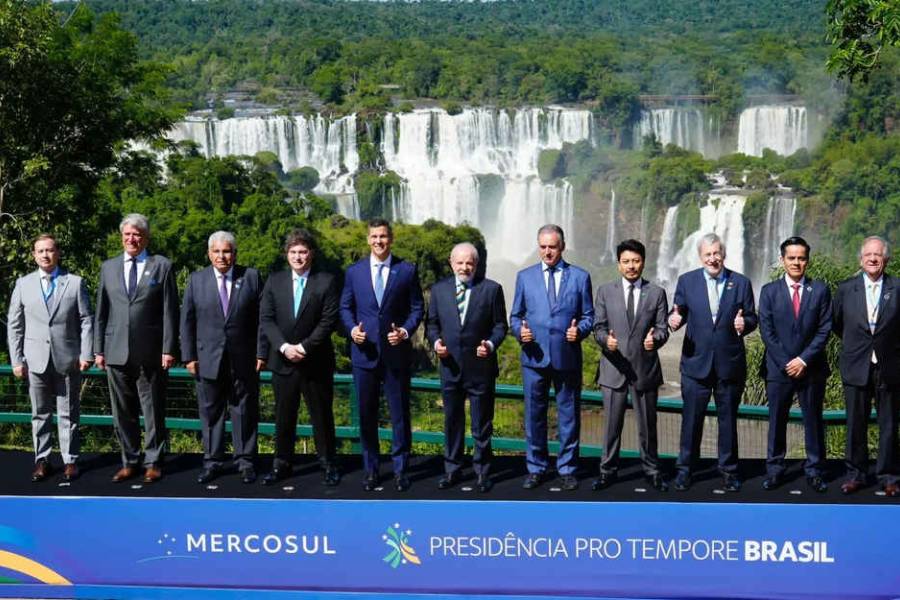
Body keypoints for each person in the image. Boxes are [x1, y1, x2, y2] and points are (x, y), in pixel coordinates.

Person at [668, 232, 757, 492]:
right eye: (708, 254)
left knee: (727, 422)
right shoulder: (687, 281)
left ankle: (729, 471)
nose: (713, 258)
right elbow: (679, 313)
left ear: (724, 254)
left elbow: (752, 317)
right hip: (696, 365)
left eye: (717, 253)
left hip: (729, 365)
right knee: (691, 421)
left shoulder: (741, 283)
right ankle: (685, 470)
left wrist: (745, 324)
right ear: (700, 256)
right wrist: (674, 321)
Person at [340, 218, 424, 492]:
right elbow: (345, 307)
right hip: (364, 355)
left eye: (384, 236)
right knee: (366, 415)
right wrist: (352, 330)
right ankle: (371, 470)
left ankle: (401, 470)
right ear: (368, 239)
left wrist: (405, 331)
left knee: (400, 416)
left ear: (392, 238)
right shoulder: (354, 272)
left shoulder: (407, 270)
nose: (379, 241)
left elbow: (416, 309)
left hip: (396, 355)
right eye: (374, 236)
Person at [94, 213, 179, 483]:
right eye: (128, 234)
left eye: (137, 234)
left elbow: (170, 311)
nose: (132, 239)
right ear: (122, 237)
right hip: (115, 351)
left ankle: (153, 461)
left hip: (151, 352)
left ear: (146, 238)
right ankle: (129, 461)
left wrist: (169, 348)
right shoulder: (108, 267)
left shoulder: (161, 265)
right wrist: (98, 349)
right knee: (122, 412)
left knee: (153, 410)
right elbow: (101, 312)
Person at [510, 224, 594, 491]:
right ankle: (536, 468)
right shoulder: (525, 277)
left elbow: (589, 316)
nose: (547, 252)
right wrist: (518, 331)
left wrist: (578, 331)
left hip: (567, 356)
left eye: (552, 247)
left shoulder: (580, 277)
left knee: (569, 415)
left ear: (562, 247)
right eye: (543, 246)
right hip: (533, 357)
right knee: (534, 416)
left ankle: (567, 468)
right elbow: (515, 315)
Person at [180, 231, 267, 485]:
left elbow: (263, 319)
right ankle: (212, 461)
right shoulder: (196, 280)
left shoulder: (251, 277)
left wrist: (262, 352)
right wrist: (188, 357)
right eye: (217, 251)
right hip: (207, 359)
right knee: (210, 413)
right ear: (209, 254)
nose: (222, 256)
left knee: (245, 411)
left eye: (226, 251)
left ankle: (245, 461)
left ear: (234, 253)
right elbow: (187, 321)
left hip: (245, 359)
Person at [6, 234, 93, 482]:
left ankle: (70, 460)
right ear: (34, 255)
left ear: (58, 253)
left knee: (69, 413)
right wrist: (16, 359)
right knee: (40, 413)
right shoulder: (23, 284)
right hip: (34, 360)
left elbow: (86, 319)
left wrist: (86, 353)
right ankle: (42, 460)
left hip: (68, 359)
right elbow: (15, 325)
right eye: (40, 251)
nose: (45, 255)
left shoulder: (75, 283)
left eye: (50, 250)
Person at [260, 229, 341, 487]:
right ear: (287, 255)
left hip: (315, 362)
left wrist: (304, 348)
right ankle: (281, 464)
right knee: (283, 417)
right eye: (293, 252)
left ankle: (328, 463)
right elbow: (266, 319)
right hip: (283, 362)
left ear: (311, 254)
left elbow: (328, 321)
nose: (298, 257)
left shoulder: (326, 281)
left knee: (322, 416)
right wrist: (284, 347)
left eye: (303, 252)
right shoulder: (274, 281)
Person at [425, 242, 508, 493]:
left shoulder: (492, 290)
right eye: (460, 262)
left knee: (482, 424)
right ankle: (452, 470)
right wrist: (436, 342)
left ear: (477, 264)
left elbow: (500, 326)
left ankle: (482, 472)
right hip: (450, 366)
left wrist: (491, 345)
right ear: (451, 263)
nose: (464, 267)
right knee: (452, 422)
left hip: (480, 367)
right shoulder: (438, 291)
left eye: (469, 262)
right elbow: (431, 324)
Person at [592, 239, 669, 491]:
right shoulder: (605, 291)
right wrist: (606, 341)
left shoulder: (656, 292)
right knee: (611, 426)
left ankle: (652, 470)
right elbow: (598, 327)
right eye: (626, 261)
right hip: (613, 367)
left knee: (648, 426)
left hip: (644, 369)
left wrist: (655, 339)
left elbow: (662, 328)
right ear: (618, 264)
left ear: (643, 262)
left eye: (636, 261)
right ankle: (607, 471)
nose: (631, 266)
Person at [758, 236, 832, 493]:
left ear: (807, 261)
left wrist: (803, 359)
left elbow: (824, 329)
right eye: (791, 258)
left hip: (811, 369)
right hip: (779, 370)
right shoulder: (769, 291)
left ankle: (814, 470)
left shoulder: (820, 290)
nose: (796, 263)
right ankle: (775, 470)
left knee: (813, 421)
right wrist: (787, 361)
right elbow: (767, 331)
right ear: (782, 260)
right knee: (776, 421)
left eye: (801, 258)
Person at [832, 236, 899, 497]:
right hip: (856, 363)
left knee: (889, 424)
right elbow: (838, 324)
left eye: (878, 255)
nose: (873, 259)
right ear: (861, 259)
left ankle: (889, 476)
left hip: (890, 366)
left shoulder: (898, 287)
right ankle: (856, 475)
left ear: (886, 259)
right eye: (869, 255)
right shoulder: (846, 289)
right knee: (855, 425)